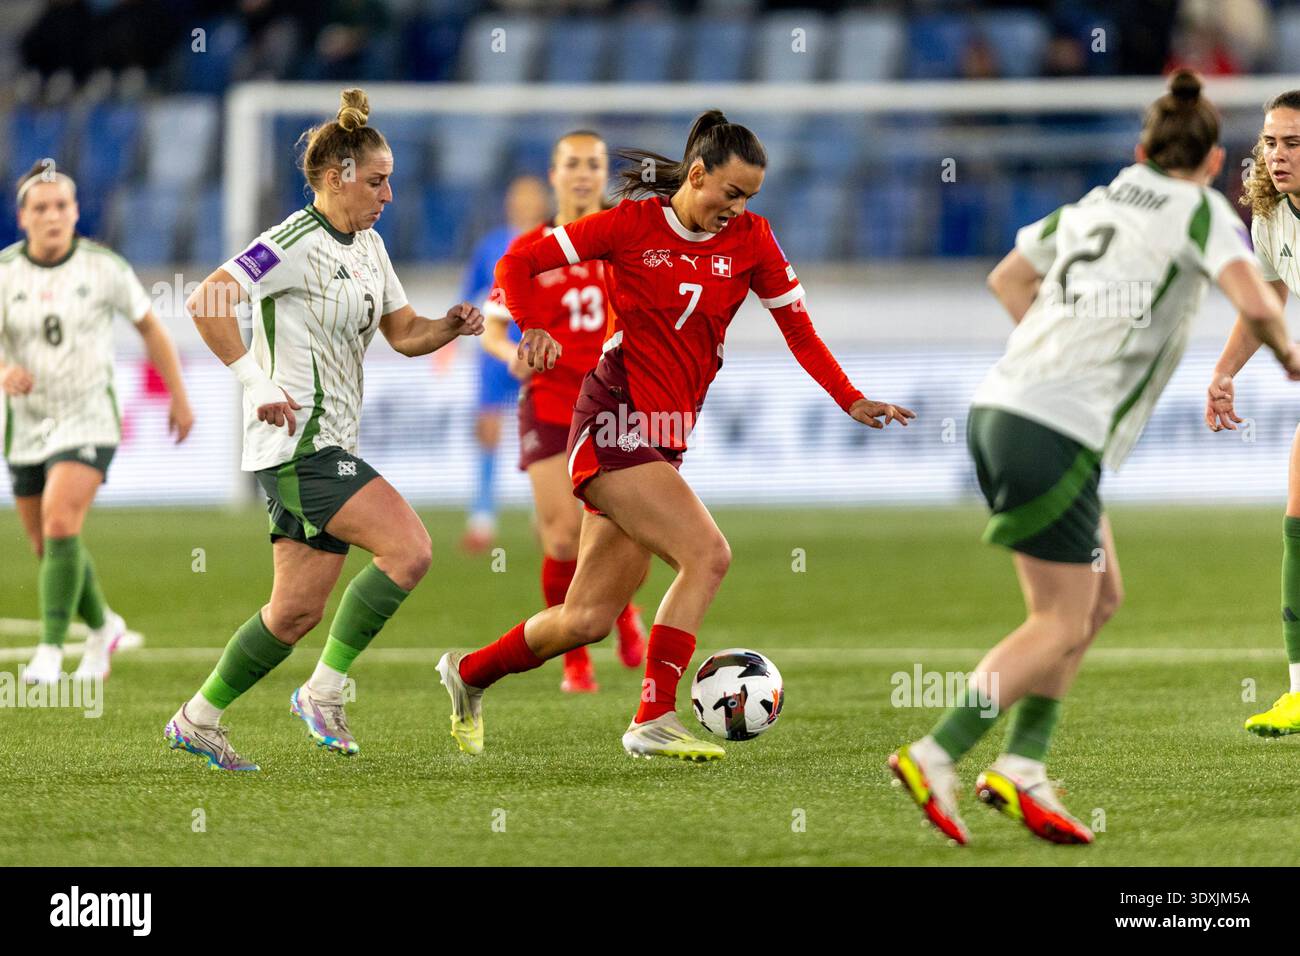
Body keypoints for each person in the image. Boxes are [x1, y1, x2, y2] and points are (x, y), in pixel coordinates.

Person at [890, 71, 1300, 846]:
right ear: (1215, 164)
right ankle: (936, 753)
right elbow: (1256, 298)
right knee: (1056, 619)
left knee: (1101, 596)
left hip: (1003, 406)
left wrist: (1052, 354)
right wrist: (1286, 353)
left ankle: (1024, 767)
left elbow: (1007, 277)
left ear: (1140, 149)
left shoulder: (1100, 201)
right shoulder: (1204, 212)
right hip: (1053, 429)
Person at [437, 109, 913, 761]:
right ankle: (653, 716)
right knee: (707, 554)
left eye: (749, 198)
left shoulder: (753, 240)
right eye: (732, 192)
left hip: (664, 435)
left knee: (587, 621)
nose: (737, 208)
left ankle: (468, 674)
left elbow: (799, 330)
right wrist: (531, 328)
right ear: (697, 174)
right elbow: (522, 259)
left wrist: (850, 397)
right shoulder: (631, 226)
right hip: (612, 417)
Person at [164, 88, 483, 771]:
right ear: (336, 177)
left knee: (294, 614)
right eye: (377, 181)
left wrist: (450, 326)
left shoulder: (369, 246)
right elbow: (207, 299)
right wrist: (255, 382)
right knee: (410, 550)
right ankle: (325, 691)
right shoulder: (291, 242)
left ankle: (198, 718)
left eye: (389, 180)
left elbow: (404, 333)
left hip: (332, 442)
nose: (389, 195)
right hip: (297, 445)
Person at [2, 160, 193, 684]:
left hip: (89, 419)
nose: (52, 215)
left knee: (61, 522)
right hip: (26, 424)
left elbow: (151, 328)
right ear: (22, 218)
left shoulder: (103, 267)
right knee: (48, 545)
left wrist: (179, 396)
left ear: (75, 211)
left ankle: (48, 649)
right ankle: (104, 625)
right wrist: (4, 369)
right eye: (40, 208)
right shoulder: (5, 274)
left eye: (62, 205)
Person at [480, 130, 647, 694]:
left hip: (615, 405)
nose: (582, 174)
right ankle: (576, 656)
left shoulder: (625, 238)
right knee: (560, 538)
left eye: (592, 164)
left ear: (604, 174)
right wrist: (515, 355)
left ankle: (619, 611)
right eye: (571, 164)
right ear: (554, 175)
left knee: (624, 529)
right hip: (551, 404)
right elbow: (493, 330)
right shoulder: (532, 247)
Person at [1207, 89, 1300, 736]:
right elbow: (1267, 300)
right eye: (1270, 141)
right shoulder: (1271, 218)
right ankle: (1299, 691)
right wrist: (1223, 372)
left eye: (1293, 143)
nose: (1278, 155)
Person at [461, 175, 549, 553]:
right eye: (519, 197)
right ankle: (482, 519)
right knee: (490, 431)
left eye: (532, 198)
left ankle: (545, 512)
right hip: (497, 353)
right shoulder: (491, 245)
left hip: (542, 352)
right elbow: (469, 296)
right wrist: (449, 343)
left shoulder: (557, 242)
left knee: (546, 433)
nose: (525, 203)